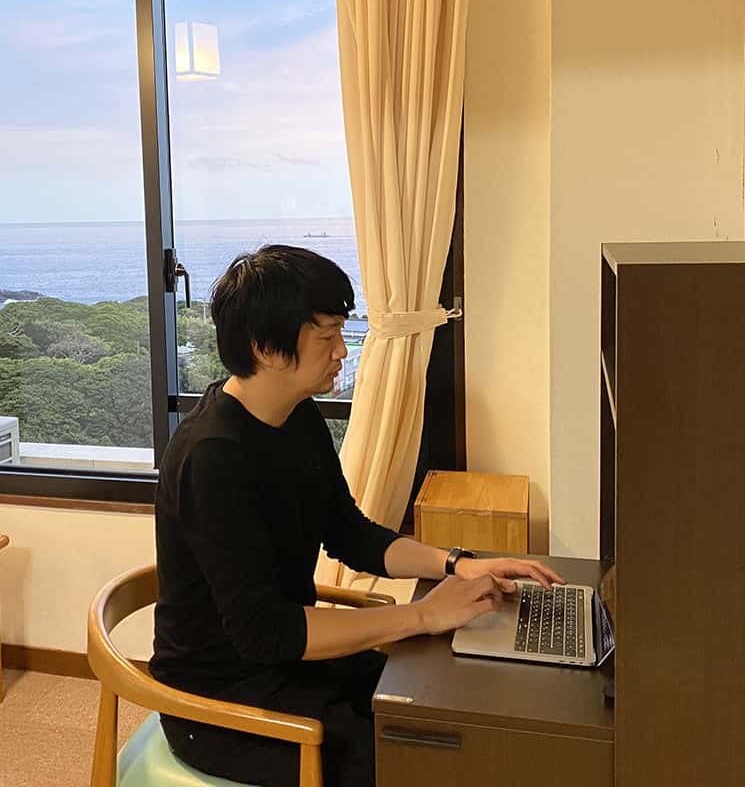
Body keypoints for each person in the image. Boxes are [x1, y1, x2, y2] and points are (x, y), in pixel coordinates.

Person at [151, 245, 562, 787]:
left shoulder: (297, 418)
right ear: (265, 348)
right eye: (326, 338)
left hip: (290, 664)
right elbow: (265, 633)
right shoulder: (211, 458)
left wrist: (459, 564)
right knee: (412, 759)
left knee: (443, 711)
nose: (342, 351)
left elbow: (350, 534)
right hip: (220, 700)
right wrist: (420, 615)